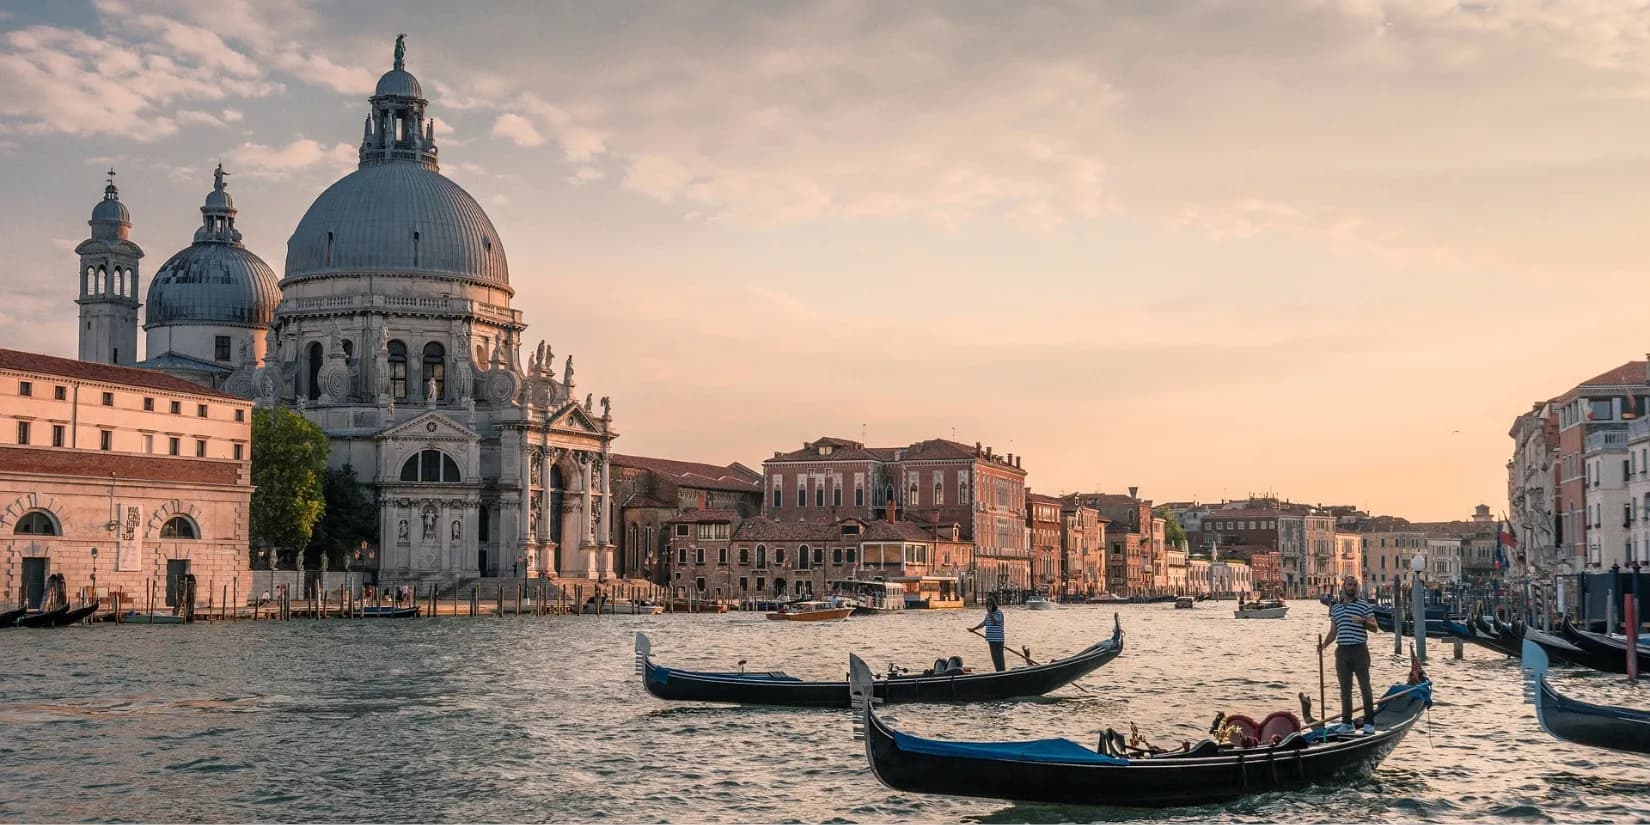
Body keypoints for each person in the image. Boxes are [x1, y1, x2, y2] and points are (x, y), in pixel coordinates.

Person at [1319, 575, 1379, 733]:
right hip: (1342, 651)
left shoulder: (1364, 606)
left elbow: (1375, 627)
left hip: (1359, 650)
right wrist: (1323, 645)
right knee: (1345, 689)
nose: (1351, 587)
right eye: (1349, 584)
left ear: (1357, 588)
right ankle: (1346, 723)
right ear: (1344, 587)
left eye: (1354, 585)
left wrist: (1363, 622)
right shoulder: (1336, 609)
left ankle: (1369, 722)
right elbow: (1333, 632)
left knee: (1365, 687)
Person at [970, 596, 1007, 672]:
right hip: (991, 640)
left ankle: (1002, 672)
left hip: (998, 640)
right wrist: (973, 629)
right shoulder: (988, 615)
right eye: (987, 604)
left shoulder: (998, 613)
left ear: (993, 605)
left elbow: (994, 622)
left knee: (999, 657)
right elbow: (983, 624)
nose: (988, 606)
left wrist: (990, 613)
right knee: (994, 658)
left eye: (990, 604)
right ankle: (998, 672)